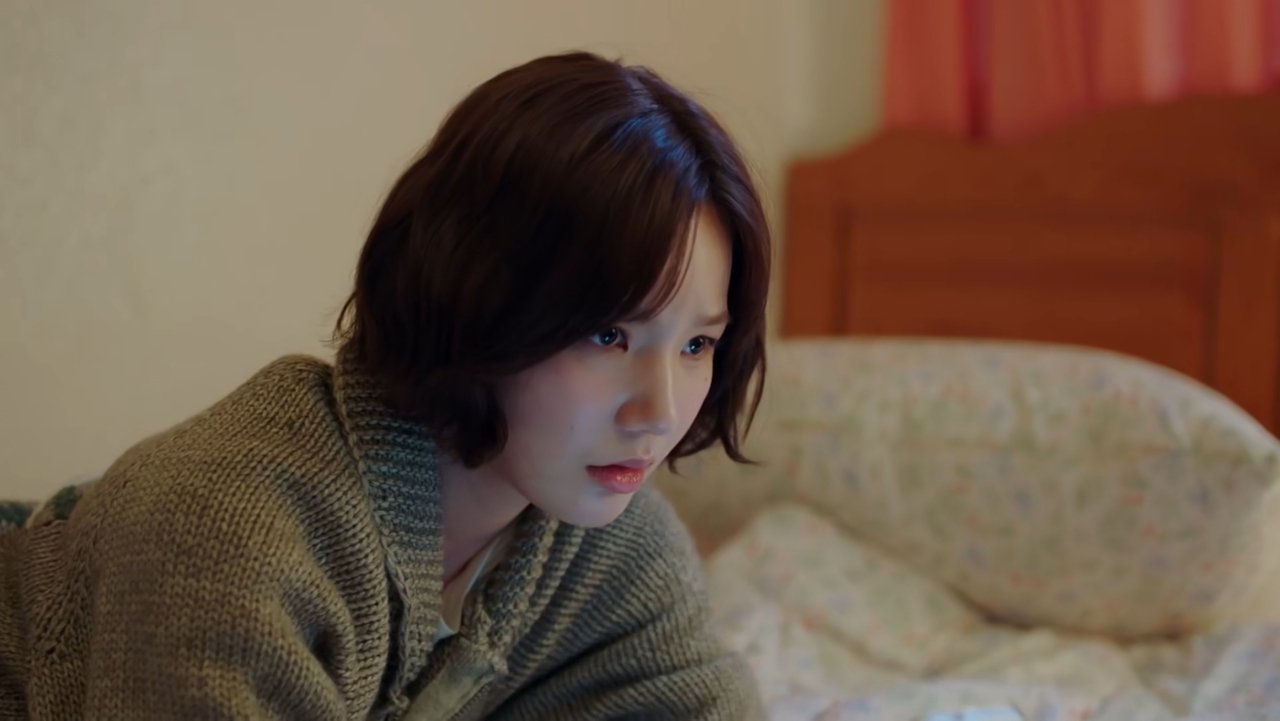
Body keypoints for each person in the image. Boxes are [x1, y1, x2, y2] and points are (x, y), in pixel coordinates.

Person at [0, 50, 770, 720]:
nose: (661, 411)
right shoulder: (230, 524)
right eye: (608, 335)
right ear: (477, 292)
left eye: (697, 344)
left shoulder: (615, 550)